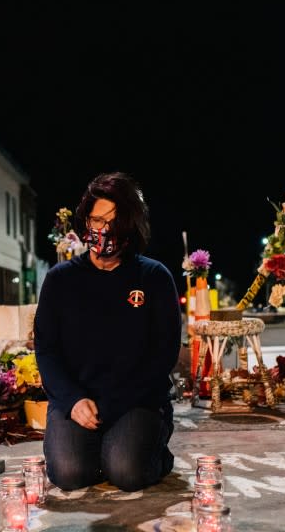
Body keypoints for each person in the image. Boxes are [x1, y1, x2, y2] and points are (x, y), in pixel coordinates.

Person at [34, 172, 182, 492]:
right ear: (85, 220)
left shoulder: (154, 277)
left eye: (114, 223)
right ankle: (102, 451)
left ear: (130, 227)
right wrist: (73, 401)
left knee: (127, 471)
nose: (104, 231)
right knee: (70, 473)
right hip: (77, 402)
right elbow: (46, 350)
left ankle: (152, 451)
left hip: (137, 400)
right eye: (97, 220)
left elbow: (164, 354)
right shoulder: (60, 280)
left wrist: (114, 404)